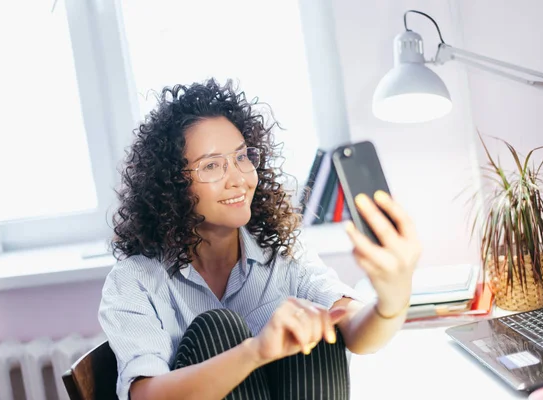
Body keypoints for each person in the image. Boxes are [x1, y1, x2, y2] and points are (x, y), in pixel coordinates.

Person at [99, 78, 422, 400]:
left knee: (314, 324)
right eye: (212, 166)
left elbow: (353, 328)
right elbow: (143, 396)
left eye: (242, 157)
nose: (239, 179)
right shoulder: (134, 281)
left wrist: (393, 298)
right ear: (171, 186)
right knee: (219, 327)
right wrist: (255, 351)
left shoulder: (283, 251)